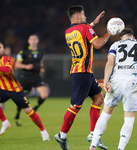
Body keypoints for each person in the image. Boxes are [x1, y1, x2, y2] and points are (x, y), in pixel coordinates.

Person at [54, 5, 111, 150]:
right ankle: (62, 135)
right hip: (83, 73)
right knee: (75, 106)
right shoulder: (85, 28)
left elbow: (81, 31)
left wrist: (92, 24)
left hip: (81, 72)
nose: (85, 16)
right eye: (83, 14)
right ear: (78, 16)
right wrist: (109, 33)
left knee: (99, 99)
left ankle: (93, 135)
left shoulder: (68, 32)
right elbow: (97, 44)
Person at [0, 42, 50, 141]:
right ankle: (5, 121)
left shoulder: (6, 58)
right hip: (2, 89)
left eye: (0, 47)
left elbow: (8, 69)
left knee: (28, 111)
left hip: (15, 90)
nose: (0, 49)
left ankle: (43, 131)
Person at [14, 34, 49, 126]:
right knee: (22, 99)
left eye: (35, 39)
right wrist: (26, 66)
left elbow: (40, 62)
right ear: (28, 41)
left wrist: (41, 68)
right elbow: (17, 65)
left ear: (38, 41)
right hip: (26, 77)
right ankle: (17, 115)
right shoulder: (23, 52)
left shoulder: (41, 51)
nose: (33, 41)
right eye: (31, 39)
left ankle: (35, 109)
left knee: (44, 95)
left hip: (36, 77)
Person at [0, 45, 15, 110]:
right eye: (7, 50)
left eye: (9, 50)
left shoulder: (12, 59)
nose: (8, 51)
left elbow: (13, 68)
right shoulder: (1, 58)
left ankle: (2, 104)